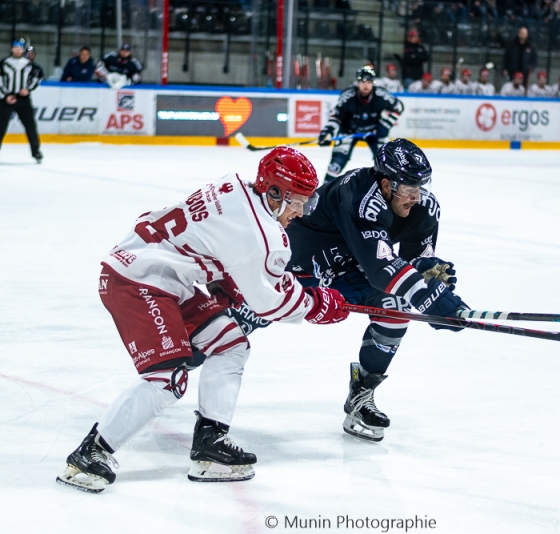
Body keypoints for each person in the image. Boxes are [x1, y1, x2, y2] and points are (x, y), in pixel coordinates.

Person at [56, 148, 348, 493]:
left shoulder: (234, 185)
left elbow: (210, 239)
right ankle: (90, 454)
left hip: (164, 273)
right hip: (139, 281)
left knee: (231, 345)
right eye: (296, 202)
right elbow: (269, 301)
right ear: (273, 192)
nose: (300, 212)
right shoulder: (263, 234)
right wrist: (316, 304)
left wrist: (226, 279)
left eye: (306, 202)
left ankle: (211, 443)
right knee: (167, 380)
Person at [283, 138, 469, 442]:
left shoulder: (424, 208)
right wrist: (432, 300)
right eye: (408, 189)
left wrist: (431, 275)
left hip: (349, 269)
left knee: (396, 308)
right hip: (297, 267)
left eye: (420, 187)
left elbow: (413, 260)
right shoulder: (358, 196)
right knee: (242, 317)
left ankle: (361, 395)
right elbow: (381, 269)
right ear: (386, 185)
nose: (416, 197)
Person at [318, 66, 404, 183]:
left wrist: (385, 125)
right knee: (337, 162)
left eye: (369, 82)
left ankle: (390, 187)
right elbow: (336, 116)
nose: (366, 85)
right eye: (363, 82)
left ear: (373, 83)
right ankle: (325, 188)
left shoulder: (381, 94)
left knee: (386, 162)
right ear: (358, 82)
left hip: (374, 132)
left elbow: (399, 107)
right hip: (349, 131)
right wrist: (327, 131)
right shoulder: (348, 96)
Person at [0, 39, 42, 164]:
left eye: (20, 47)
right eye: (15, 47)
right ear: (11, 49)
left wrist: (28, 90)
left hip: (23, 99)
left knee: (30, 126)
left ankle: (36, 152)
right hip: (7, 99)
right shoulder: (4, 63)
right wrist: (6, 95)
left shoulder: (29, 64)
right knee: (0, 126)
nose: (18, 50)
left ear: (23, 49)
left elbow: (35, 80)